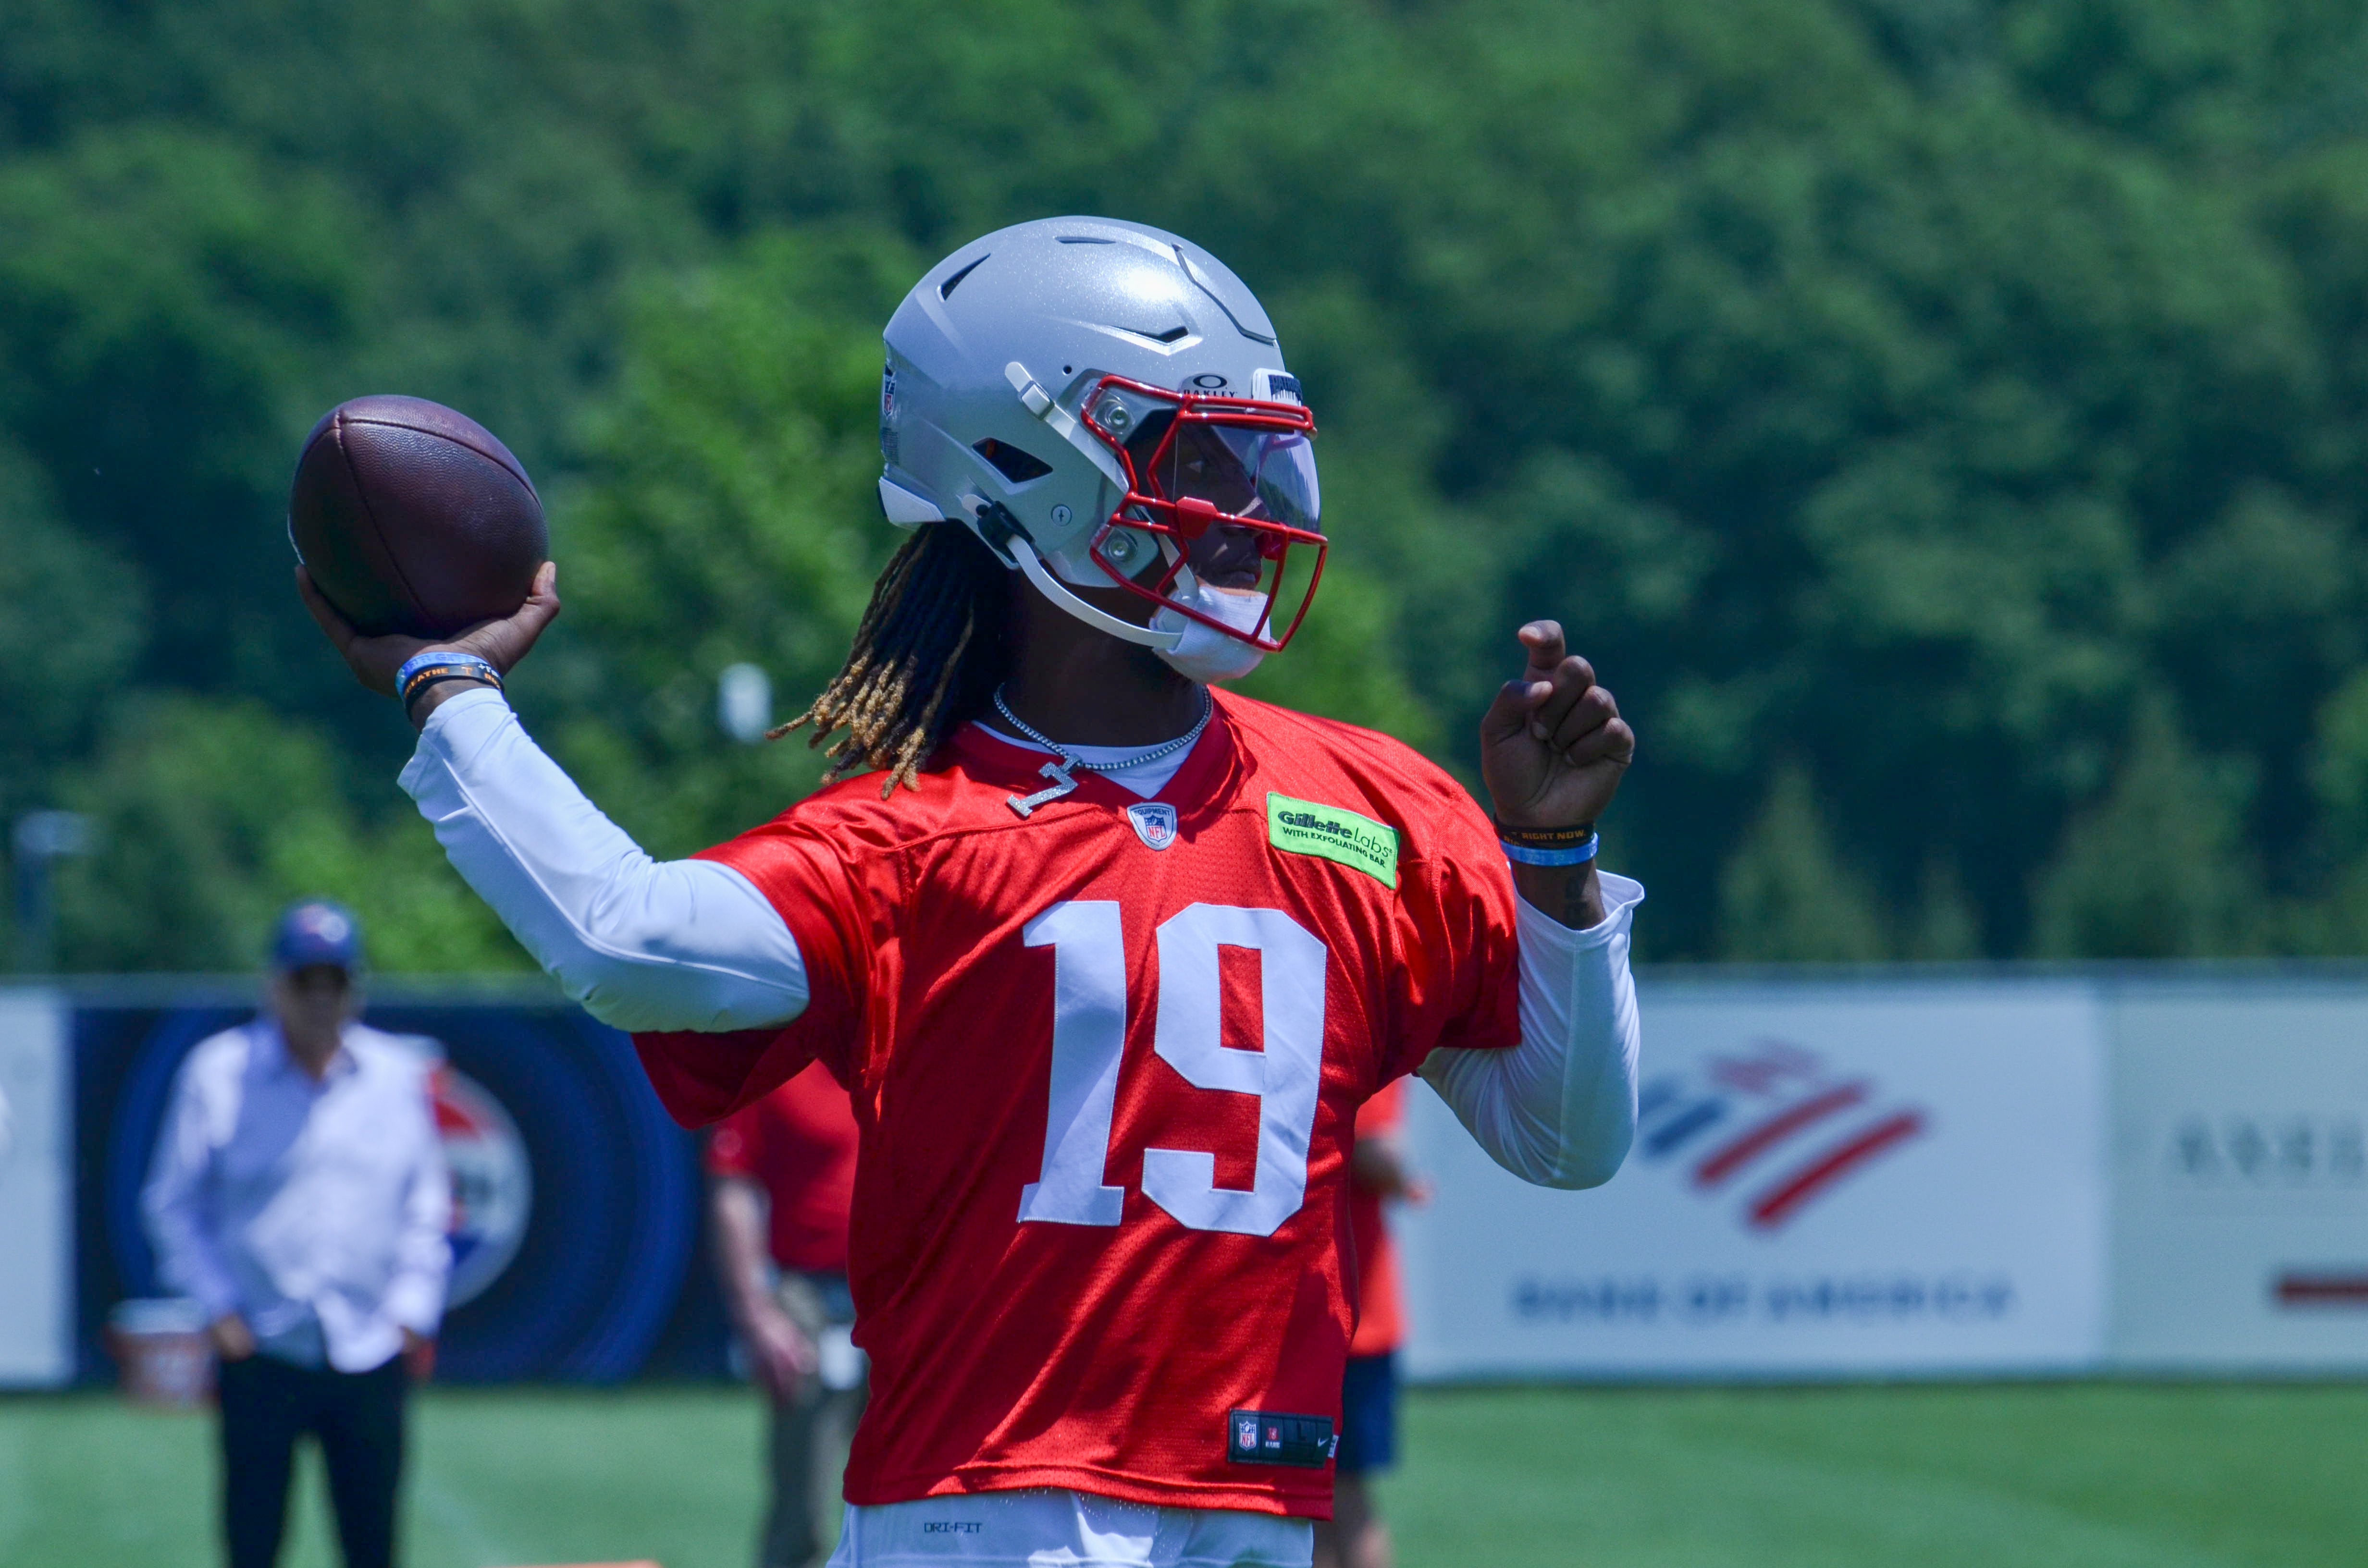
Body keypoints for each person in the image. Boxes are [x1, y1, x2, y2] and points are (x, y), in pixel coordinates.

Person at [301, 215, 1644, 1568]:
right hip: (991, 1514)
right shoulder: (915, 843)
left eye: (1254, 453)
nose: (1249, 507)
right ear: (1031, 475)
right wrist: (451, 691)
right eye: (1197, 456)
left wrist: (1555, 863)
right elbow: (623, 940)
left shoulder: (1372, 808)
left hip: (1255, 1518)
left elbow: (1568, 1141)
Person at [142, 900, 451, 1568]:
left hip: (370, 1344)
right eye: (304, 979)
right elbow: (173, 1204)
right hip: (261, 1344)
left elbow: (426, 1203)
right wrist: (218, 1307)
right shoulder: (218, 1072)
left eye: (333, 980)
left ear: (356, 987)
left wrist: (410, 1311)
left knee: (373, 1545)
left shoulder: (396, 1074)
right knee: (252, 1542)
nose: (319, 997)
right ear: (272, 985)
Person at [710, 1059, 867, 1568]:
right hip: (808, 1292)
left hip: (900, 1293)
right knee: (803, 1494)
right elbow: (734, 1185)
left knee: (918, 1487)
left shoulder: (910, 1051)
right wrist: (757, 1313)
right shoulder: (776, 1064)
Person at [1313, 1078, 1425, 1568]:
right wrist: (1407, 1182)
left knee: (1336, 1497)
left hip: (1346, 1323)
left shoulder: (1363, 1049)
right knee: (1325, 1499)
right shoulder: (1372, 1045)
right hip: (1341, 1318)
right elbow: (1378, 1154)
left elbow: (1372, 1148)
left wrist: (1400, 1178)